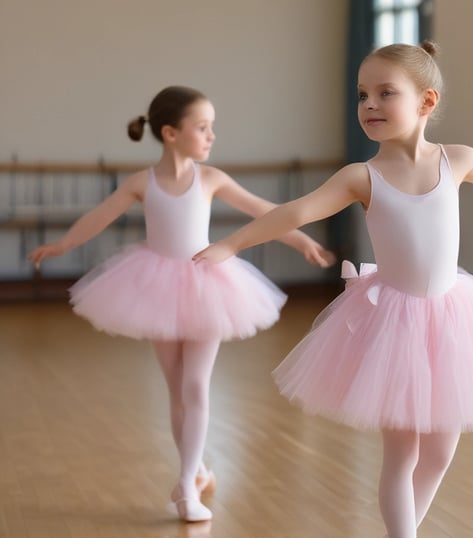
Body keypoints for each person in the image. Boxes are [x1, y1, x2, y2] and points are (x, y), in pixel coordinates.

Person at [193, 43, 473, 537]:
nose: (370, 105)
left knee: (442, 452)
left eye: (386, 93)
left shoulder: (458, 160)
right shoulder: (362, 176)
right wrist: (229, 245)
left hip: (454, 319)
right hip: (393, 323)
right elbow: (295, 212)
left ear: (426, 102)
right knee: (401, 452)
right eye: (363, 95)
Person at [27, 86, 336, 523]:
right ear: (171, 133)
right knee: (177, 392)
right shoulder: (142, 182)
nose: (211, 136)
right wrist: (62, 244)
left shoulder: (211, 179)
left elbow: (262, 209)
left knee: (195, 386)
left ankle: (186, 483)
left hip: (208, 284)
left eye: (212, 127)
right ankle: (198, 469)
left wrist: (301, 237)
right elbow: (98, 217)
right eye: (203, 127)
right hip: (155, 287)